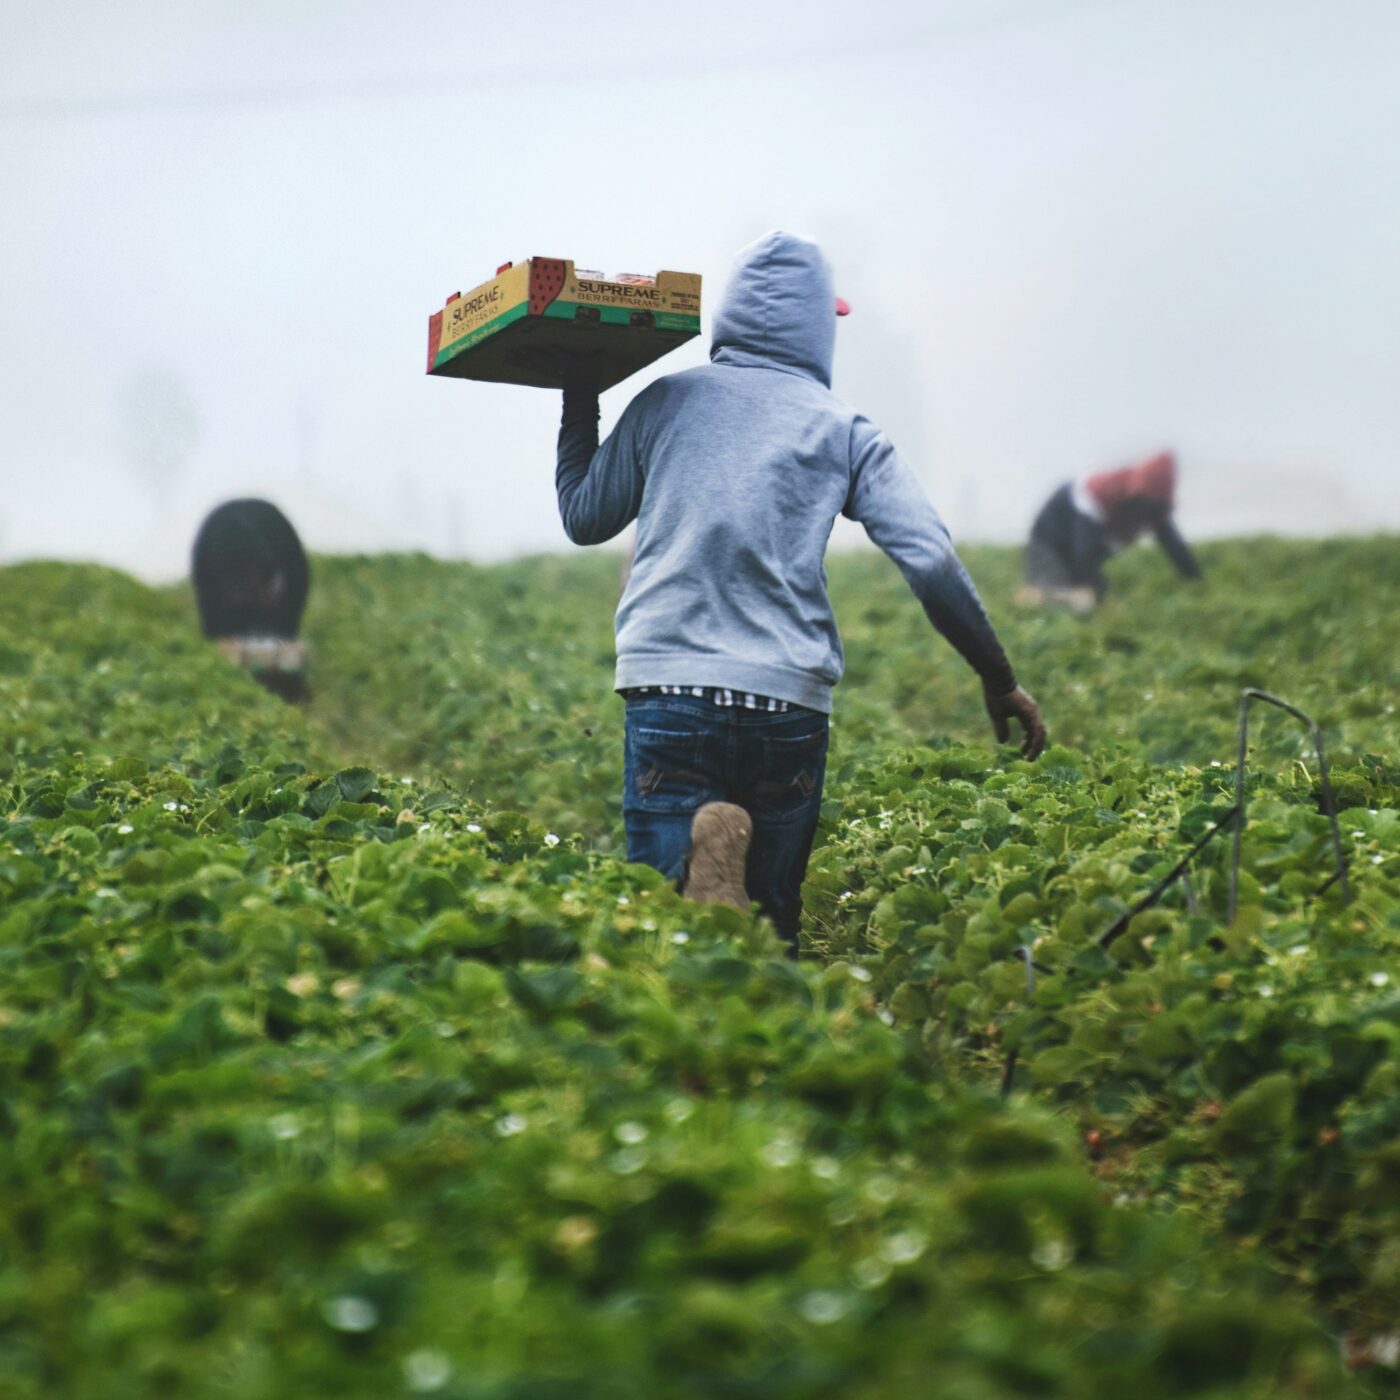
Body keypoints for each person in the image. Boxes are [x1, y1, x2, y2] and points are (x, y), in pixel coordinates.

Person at [553, 230, 1045, 954]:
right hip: (786, 701)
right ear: (820, 327)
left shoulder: (665, 402)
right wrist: (997, 677)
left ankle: (699, 871)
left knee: (662, 930)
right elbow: (930, 559)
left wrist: (578, 397)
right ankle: (756, 976)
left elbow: (584, 518)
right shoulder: (845, 429)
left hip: (671, 687)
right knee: (773, 929)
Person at [1019, 452, 1202, 613]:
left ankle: (1054, 593)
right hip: (1051, 537)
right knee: (1073, 600)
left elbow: (1172, 543)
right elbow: (1085, 550)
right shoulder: (1100, 492)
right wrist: (1091, 588)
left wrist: (1195, 581)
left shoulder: (1154, 504)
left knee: (1086, 596)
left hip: (1086, 545)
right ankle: (1034, 595)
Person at [191, 499, 311, 702]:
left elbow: (294, 597)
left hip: (275, 559)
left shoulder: (287, 557)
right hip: (221, 567)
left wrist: (282, 638)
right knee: (225, 644)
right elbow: (213, 625)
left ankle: (284, 687)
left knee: (280, 645)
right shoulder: (209, 564)